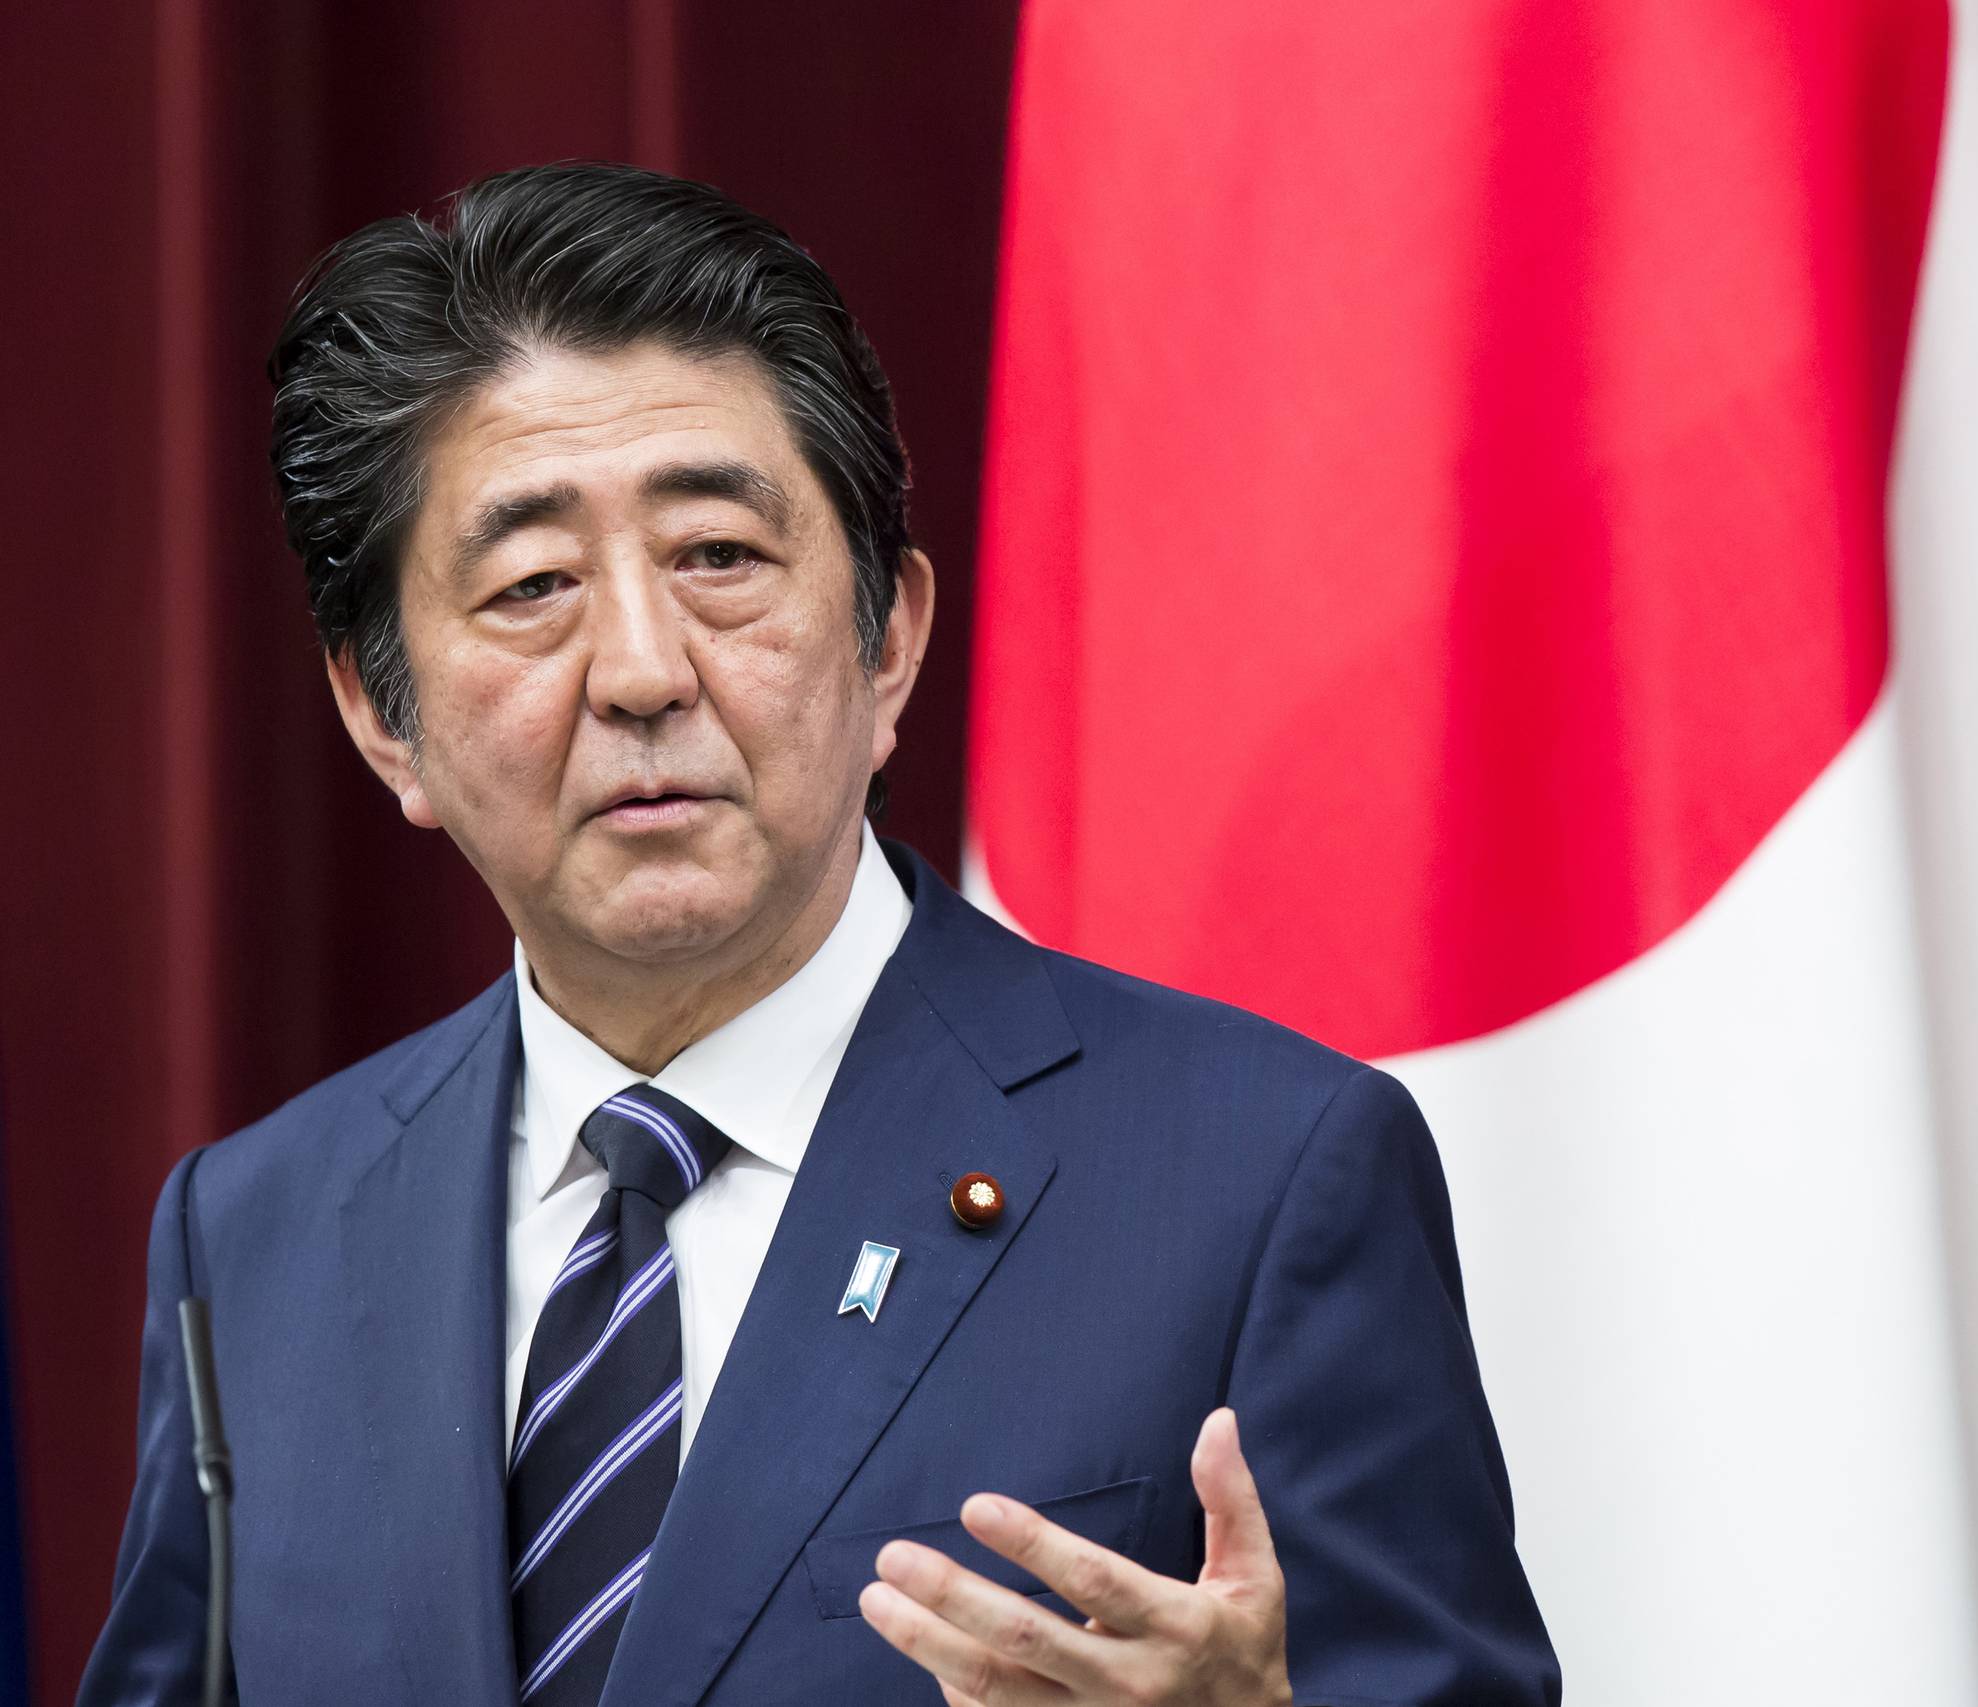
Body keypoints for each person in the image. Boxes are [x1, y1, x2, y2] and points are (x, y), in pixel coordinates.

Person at [76, 162, 1559, 1707]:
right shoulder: (253, 1236)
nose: (641, 670)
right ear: (385, 716)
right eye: (531, 585)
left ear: (891, 641)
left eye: (719, 557)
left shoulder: (1261, 1180)